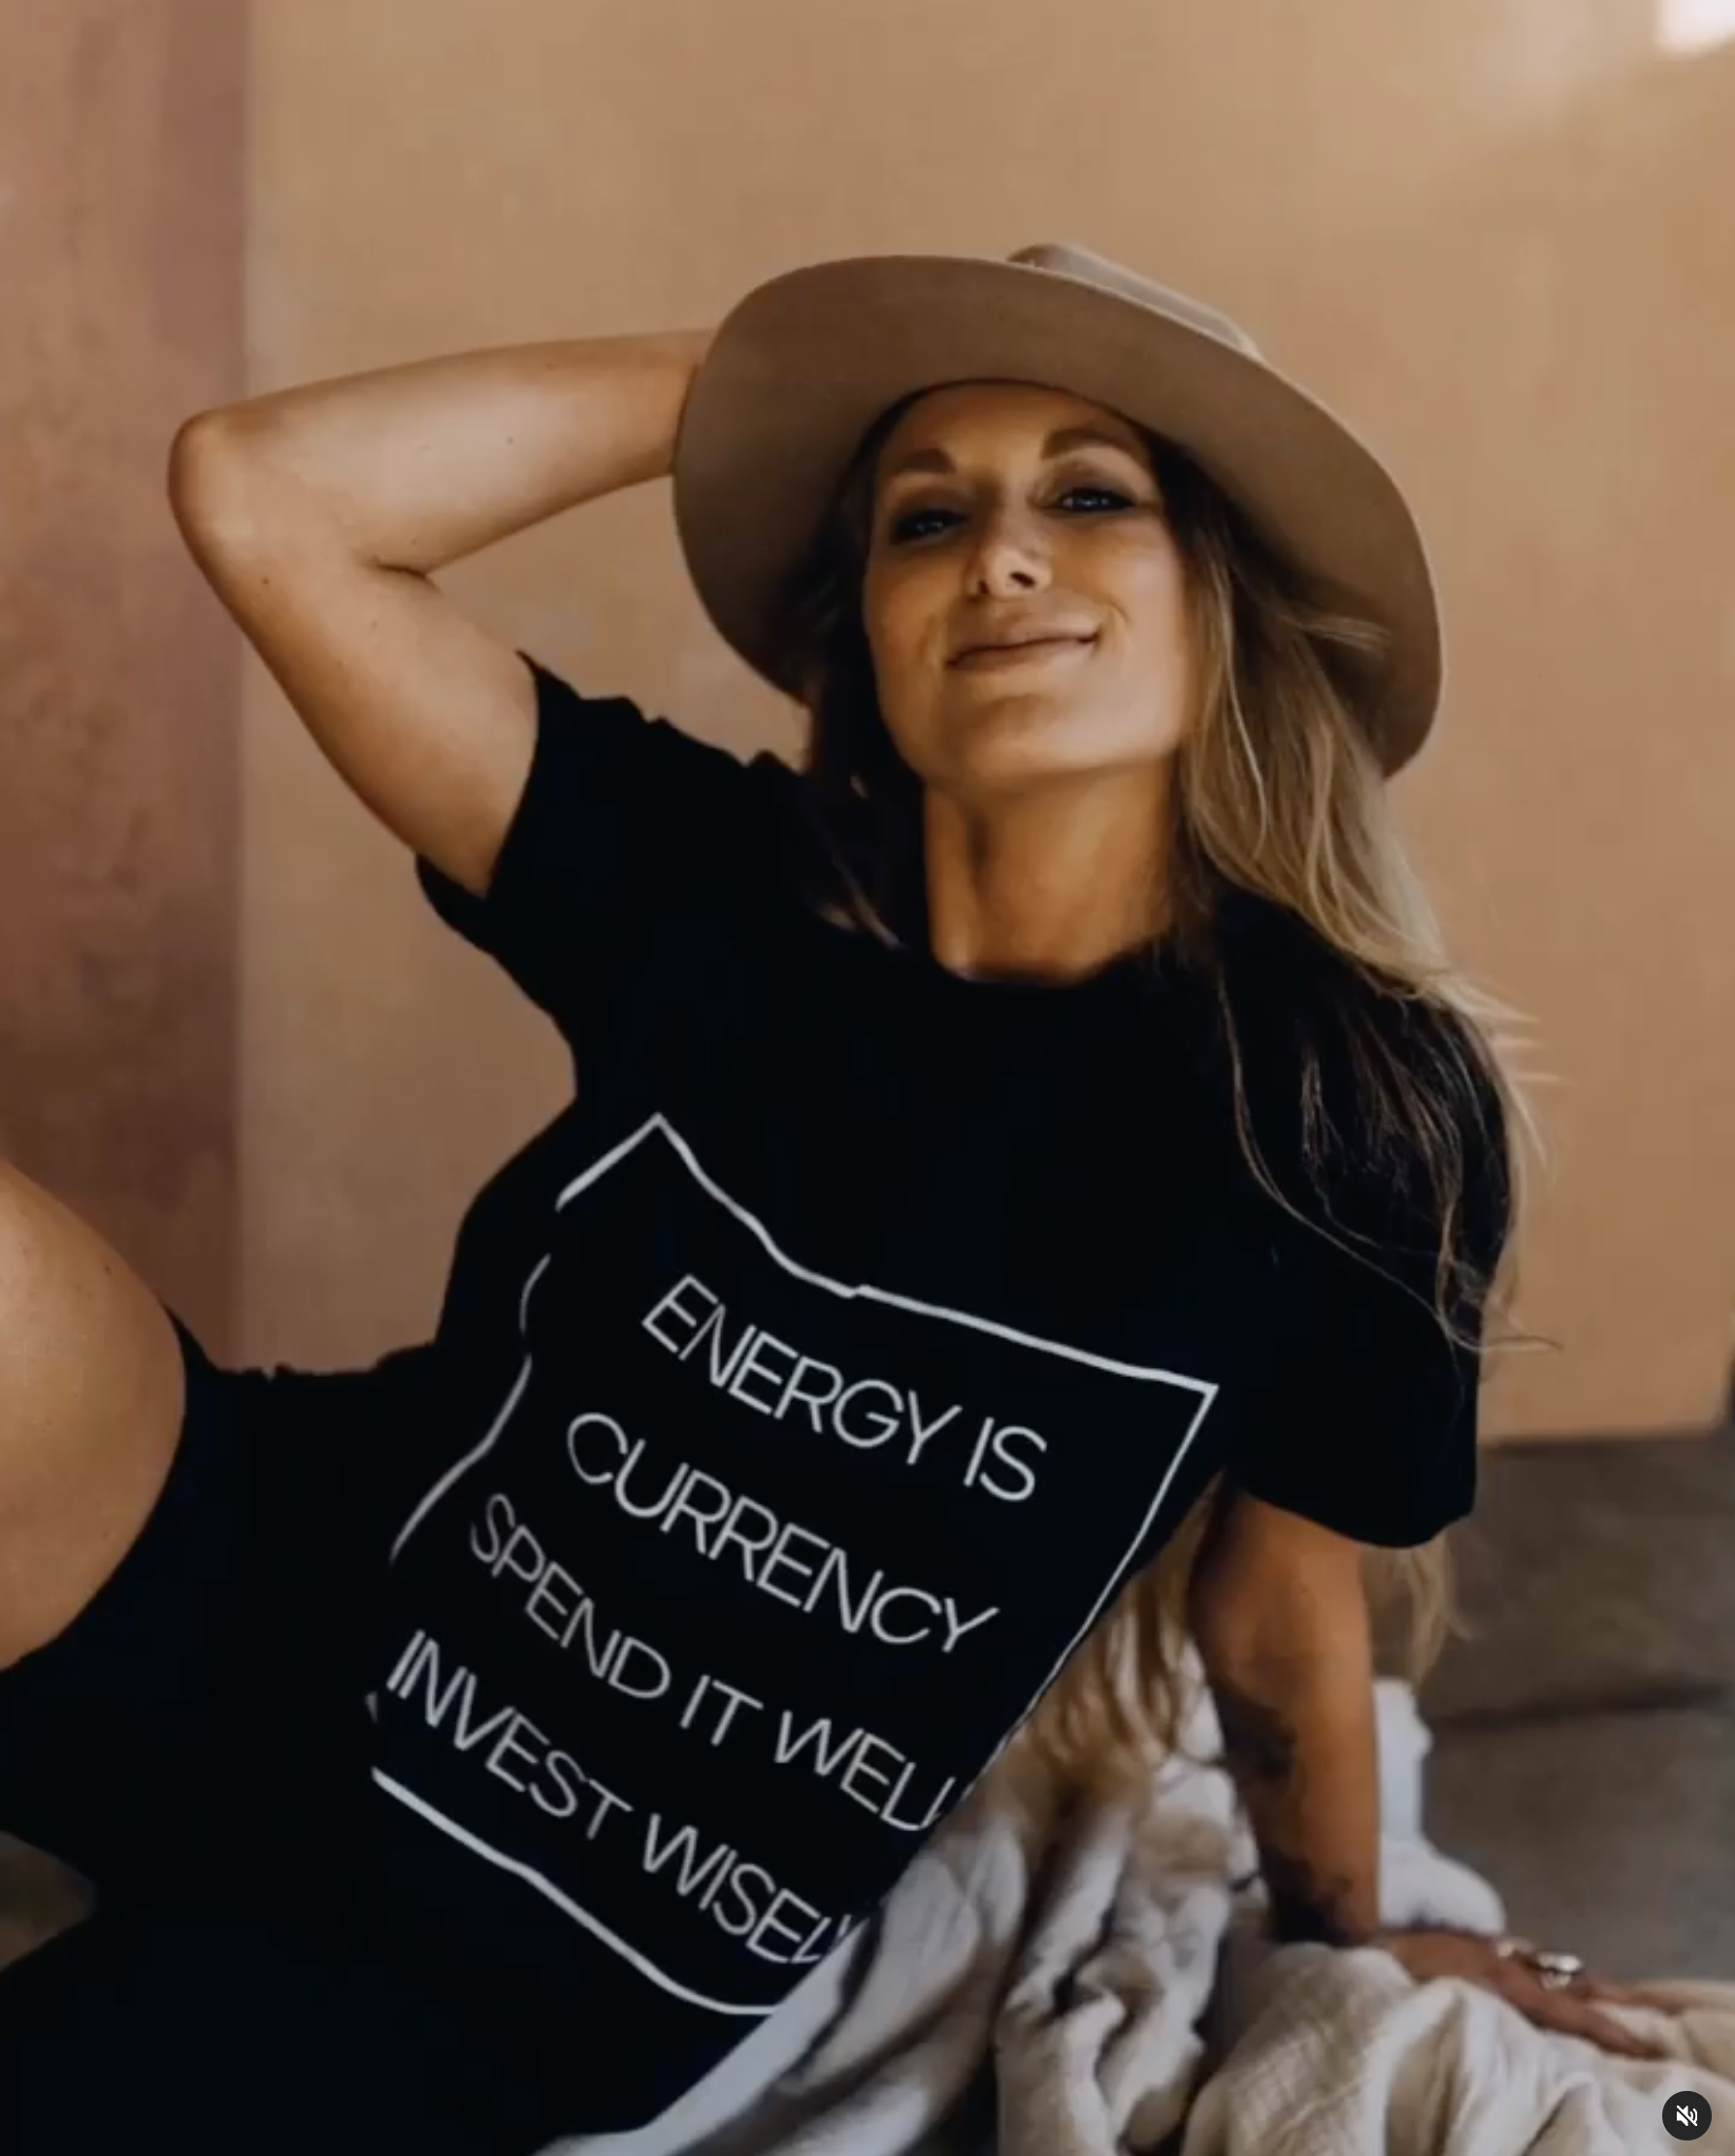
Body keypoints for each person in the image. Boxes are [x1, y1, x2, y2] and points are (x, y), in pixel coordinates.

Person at [0, 243, 1661, 2150]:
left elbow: (1279, 1601)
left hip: (545, 1931)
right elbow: (264, 493)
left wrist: (1349, 1937)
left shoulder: (1345, 1109)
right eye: (924, 518)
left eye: (1091, 497)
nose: (1002, 556)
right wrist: (801, 368)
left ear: (1222, 600)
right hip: (261, 1593)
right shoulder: (717, 887)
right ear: (865, 632)